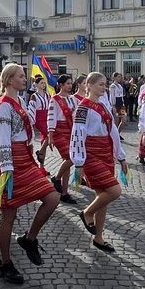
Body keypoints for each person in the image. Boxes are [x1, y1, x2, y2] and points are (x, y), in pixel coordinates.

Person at [0, 64, 59, 284]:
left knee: (52, 197)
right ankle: (6, 263)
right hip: (9, 161)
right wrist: (7, 168)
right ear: (10, 80)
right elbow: (2, 137)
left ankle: (29, 239)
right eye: (20, 76)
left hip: (24, 158)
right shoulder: (3, 105)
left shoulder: (20, 101)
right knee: (9, 215)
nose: (24, 79)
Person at [70, 71, 124, 253]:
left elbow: (113, 131)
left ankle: (98, 237)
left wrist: (121, 155)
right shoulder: (83, 107)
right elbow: (77, 134)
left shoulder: (103, 105)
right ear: (89, 85)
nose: (104, 87)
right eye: (100, 84)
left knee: (103, 197)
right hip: (91, 154)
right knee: (114, 190)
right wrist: (79, 162)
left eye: (104, 84)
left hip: (106, 153)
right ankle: (87, 212)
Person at [46, 74, 79, 204]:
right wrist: (50, 136)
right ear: (60, 85)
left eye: (71, 83)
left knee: (68, 160)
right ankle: (56, 178)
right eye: (67, 83)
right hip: (59, 132)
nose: (70, 86)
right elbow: (51, 117)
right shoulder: (55, 99)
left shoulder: (73, 99)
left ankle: (64, 193)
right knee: (71, 158)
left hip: (71, 131)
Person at [27, 76, 51, 165]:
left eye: (44, 83)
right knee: (50, 136)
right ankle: (40, 152)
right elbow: (31, 109)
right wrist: (32, 122)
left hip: (47, 117)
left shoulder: (47, 95)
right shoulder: (34, 96)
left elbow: (50, 107)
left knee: (44, 140)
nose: (43, 84)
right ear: (36, 85)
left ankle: (42, 166)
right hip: (39, 119)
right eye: (41, 83)